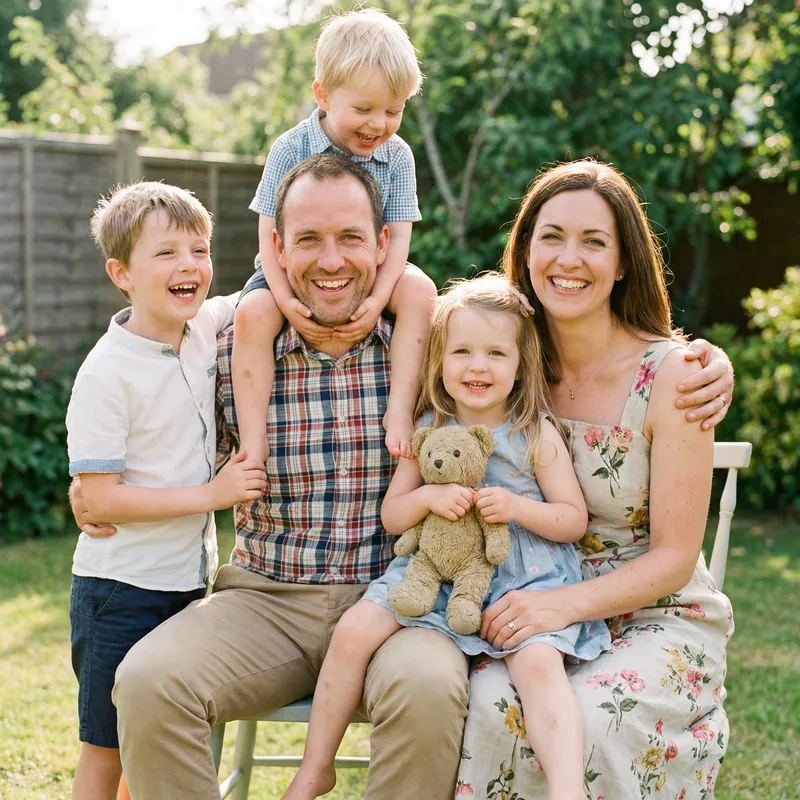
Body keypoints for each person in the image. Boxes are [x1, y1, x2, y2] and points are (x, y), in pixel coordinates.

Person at [70, 156, 735, 800]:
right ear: (276, 248)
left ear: (384, 245)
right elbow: (157, 389)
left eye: (351, 238)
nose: (331, 260)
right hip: (267, 599)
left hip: (416, 596)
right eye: (309, 239)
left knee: (433, 690)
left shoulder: (428, 348)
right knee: (150, 681)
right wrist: (99, 485)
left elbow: (495, 347)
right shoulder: (232, 343)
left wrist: (709, 364)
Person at [455, 159, 735, 799]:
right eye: (551, 236)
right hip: (531, 595)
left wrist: (559, 606)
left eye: (594, 242)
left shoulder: (673, 376)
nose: (568, 259)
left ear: (624, 261)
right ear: (526, 251)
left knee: (591, 716)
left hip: (654, 612)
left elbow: (674, 558)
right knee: (490, 705)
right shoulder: (503, 361)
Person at [282, 273, 611, 800]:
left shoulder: (533, 432)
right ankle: (315, 767)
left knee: (538, 666)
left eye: (496, 353)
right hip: (434, 575)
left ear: (521, 364)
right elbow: (393, 515)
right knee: (355, 629)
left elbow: (572, 519)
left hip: (520, 581)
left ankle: (567, 791)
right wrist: (428, 499)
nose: (478, 366)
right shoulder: (429, 427)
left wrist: (518, 507)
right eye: (462, 351)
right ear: (439, 361)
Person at [66, 182, 267, 800]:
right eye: (167, 253)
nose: (190, 265)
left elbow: (265, 280)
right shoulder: (106, 373)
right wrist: (213, 494)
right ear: (121, 274)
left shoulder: (204, 326)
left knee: (149, 740)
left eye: (200, 250)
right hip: (119, 590)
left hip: (186, 584)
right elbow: (102, 500)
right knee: (107, 749)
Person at [233, 7, 436, 463]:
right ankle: (252, 438)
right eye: (363, 109)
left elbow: (399, 239)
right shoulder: (291, 147)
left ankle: (400, 410)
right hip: (285, 271)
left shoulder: (398, 156)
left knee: (421, 292)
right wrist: (285, 300)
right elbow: (268, 235)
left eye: (393, 111)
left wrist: (377, 301)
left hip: (374, 270)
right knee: (252, 314)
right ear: (323, 95)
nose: (377, 124)